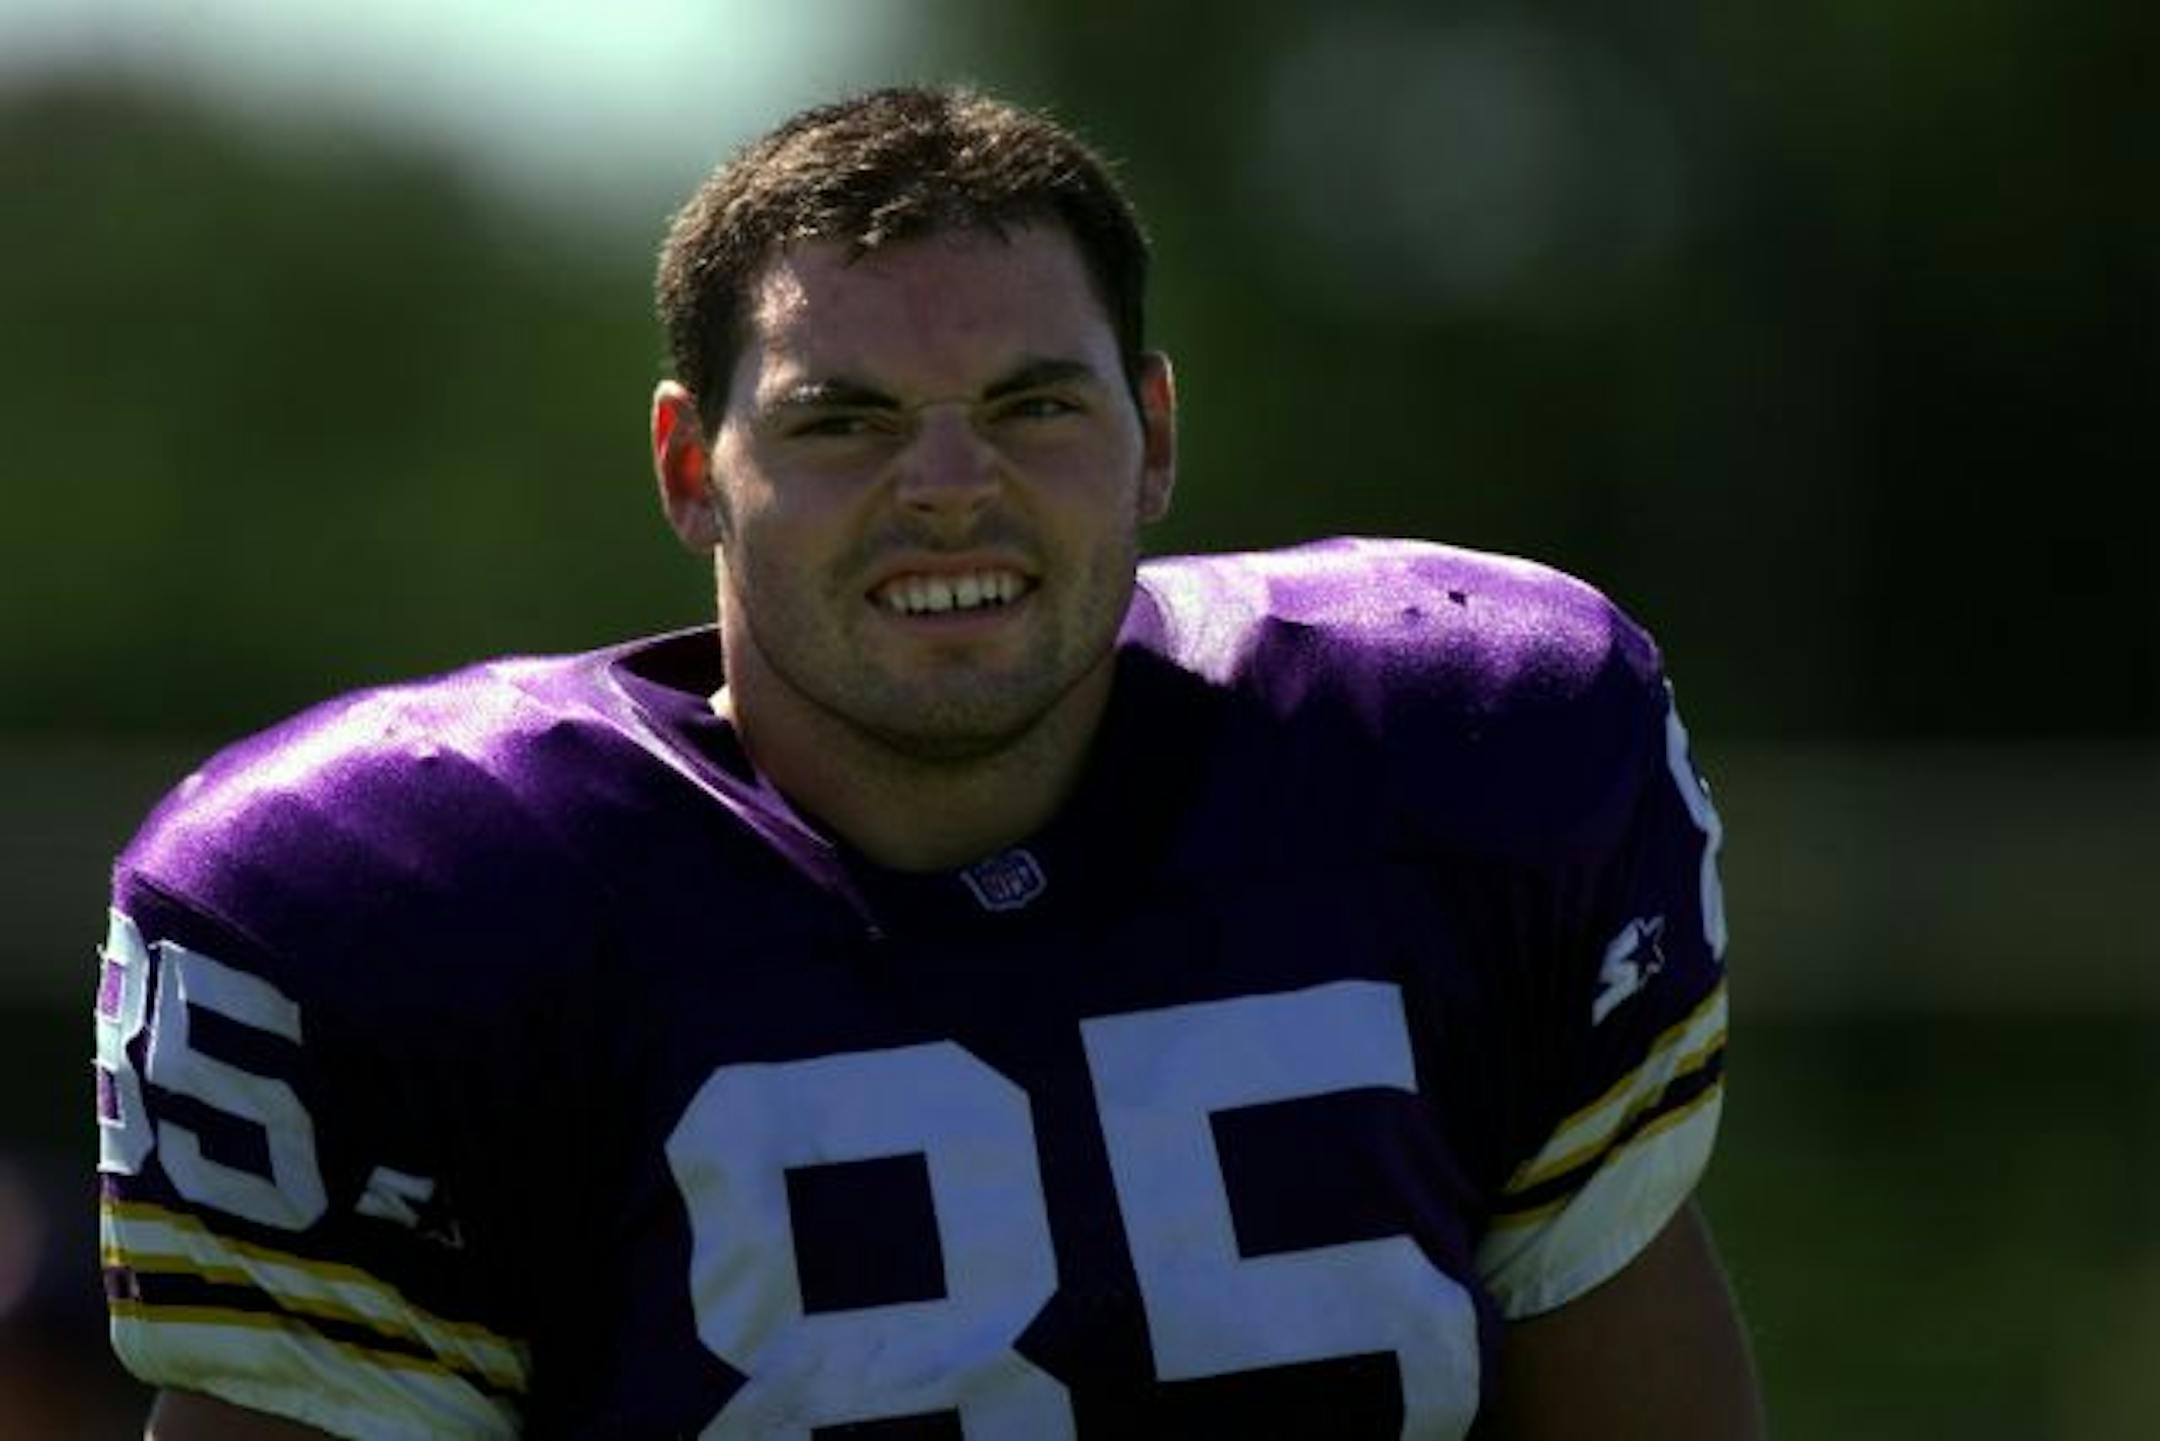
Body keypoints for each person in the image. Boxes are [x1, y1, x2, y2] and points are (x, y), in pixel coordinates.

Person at [95, 85, 1763, 1438]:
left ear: (1155, 437)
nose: (951, 484)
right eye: (846, 418)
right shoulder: (412, 905)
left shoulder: (1460, 757)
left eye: (1037, 405)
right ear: (692, 467)